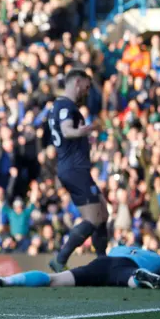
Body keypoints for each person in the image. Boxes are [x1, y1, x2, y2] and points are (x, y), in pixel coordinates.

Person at [47, 69, 108, 272]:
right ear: (78, 82)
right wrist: (81, 131)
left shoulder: (59, 105)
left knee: (102, 210)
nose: (87, 91)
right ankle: (61, 258)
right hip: (74, 169)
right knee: (94, 218)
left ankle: (102, 259)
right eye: (87, 86)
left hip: (74, 168)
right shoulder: (66, 106)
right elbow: (66, 130)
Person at [0, 245, 160, 289]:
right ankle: (140, 278)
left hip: (102, 261)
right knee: (128, 279)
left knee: (55, 279)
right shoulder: (157, 258)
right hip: (128, 267)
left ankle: (5, 280)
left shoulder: (120, 246)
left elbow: (107, 251)